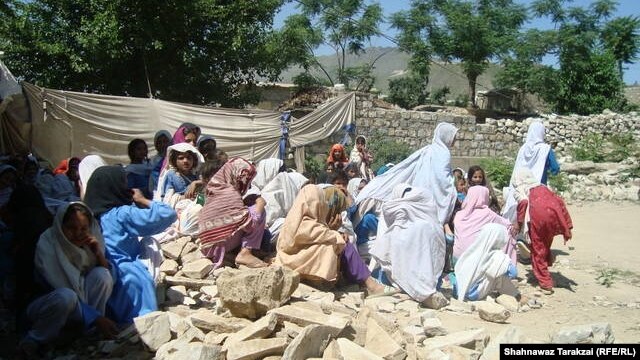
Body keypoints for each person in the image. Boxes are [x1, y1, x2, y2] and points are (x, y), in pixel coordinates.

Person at [19, 202, 118, 357]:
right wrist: (96, 317)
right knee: (66, 296)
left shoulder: (88, 245)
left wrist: (98, 253)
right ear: (60, 226)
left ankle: (88, 332)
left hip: (80, 308)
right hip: (48, 306)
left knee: (102, 275)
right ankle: (36, 339)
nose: (78, 233)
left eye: (84, 228)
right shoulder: (48, 246)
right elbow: (55, 289)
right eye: (71, 228)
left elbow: (109, 276)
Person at [84, 166, 176, 324]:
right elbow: (168, 214)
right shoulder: (121, 214)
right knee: (149, 244)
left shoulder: (85, 216)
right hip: (126, 273)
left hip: (96, 275)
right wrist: (142, 199)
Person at [275, 185, 394, 297]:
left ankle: (362, 280)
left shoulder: (292, 221)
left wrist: (332, 231)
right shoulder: (306, 223)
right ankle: (370, 285)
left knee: (338, 242)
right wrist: (336, 234)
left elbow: (314, 236)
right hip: (296, 262)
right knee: (341, 244)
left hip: (291, 259)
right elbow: (315, 234)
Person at [371, 184, 449, 309]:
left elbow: (385, 244)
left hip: (398, 279)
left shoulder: (397, 210)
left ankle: (409, 288)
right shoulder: (433, 223)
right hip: (433, 282)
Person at [198, 158, 267, 269]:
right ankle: (245, 253)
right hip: (221, 245)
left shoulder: (214, 190)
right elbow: (251, 225)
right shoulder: (230, 192)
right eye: (246, 180)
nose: (247, 186)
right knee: (258, 210)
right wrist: (260, 204)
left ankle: (242, 251)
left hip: (208, 248)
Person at [512, 168, 572, 295]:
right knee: (545, 244)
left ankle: (545, 284)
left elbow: (523, 202)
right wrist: (567, 222)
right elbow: (559, 201)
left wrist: (519, 223)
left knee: (538, 248)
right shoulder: (543, 186)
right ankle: (545, 265)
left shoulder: (521, 188)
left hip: (538, 218)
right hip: (553, 217)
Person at [502, 121, 560, 221]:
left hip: (519, 189)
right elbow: (555, 169)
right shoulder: (545, 149)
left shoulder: (523, 149)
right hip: (538, 190)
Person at [453, 223, 521, 302]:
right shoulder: (496, 255)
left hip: (458, 291)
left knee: (495, 270)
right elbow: (513, 273)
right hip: (473, 294)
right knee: (501, 275)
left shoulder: (472, 250)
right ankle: (516, 296)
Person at [453, 186, 516, 265]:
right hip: (476, 261)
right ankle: (506, 266)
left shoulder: (459, 215)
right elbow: (508, 225)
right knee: (507, 232)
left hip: (457, 258)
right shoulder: (489, 214)